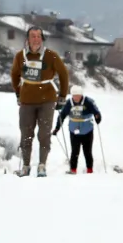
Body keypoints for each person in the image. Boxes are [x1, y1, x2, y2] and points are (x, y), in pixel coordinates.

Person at [11, 25, 70, 176]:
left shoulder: (51, 56)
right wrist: (18, 93)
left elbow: (63, 75)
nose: (36, 39)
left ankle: (42, 165)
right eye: (33, 36)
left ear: (42, 39)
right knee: (26, 133)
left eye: (38, 36)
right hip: (27, 100)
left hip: (47, 100)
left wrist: (62, 96)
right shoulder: (20, 56)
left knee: (44, 133)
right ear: (28, 39)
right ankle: (25, 165)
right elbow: (14, 75)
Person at [53, 84, 101, 173]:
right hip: (74, 131)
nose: (76, 98)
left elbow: (96, 111)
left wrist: (98, 117)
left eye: (78, 96)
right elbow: (62, 116)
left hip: (87, 131)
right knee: (74, 152)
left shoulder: (88, 102)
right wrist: (57, 128)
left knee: (87, 152)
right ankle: (73, 170)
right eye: (74, 96)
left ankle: (90, 170)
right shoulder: (69, 103)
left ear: (81, 95)